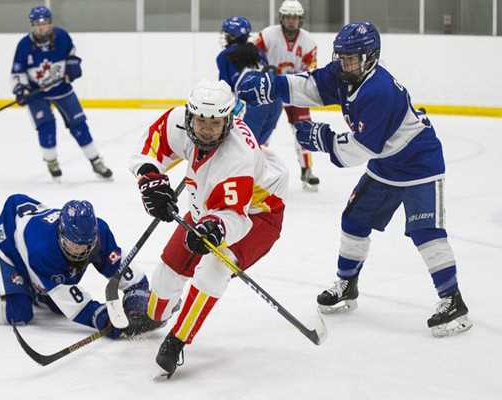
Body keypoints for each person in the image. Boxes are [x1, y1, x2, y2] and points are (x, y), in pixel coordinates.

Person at [236, 21, 472, 337]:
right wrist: (271, 85)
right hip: (387, 164)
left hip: (420, 164)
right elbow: (309, 86)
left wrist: (322, 139)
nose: (344, 63)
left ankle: (452, 300)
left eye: (352, 58)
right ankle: (347, 285)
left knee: (425, 231)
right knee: (354, 220)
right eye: (342, 57)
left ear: (370, 58)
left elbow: (360, 149)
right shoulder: (344, 73)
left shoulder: (379, 91)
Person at [129, 80, 288, 377]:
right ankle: (155, 316)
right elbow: (149, 147)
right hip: (206, 203)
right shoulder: (179, 120)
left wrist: (215, 226)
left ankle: (178, 340)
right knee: (169, 268)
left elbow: (235, 218)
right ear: (190, 115)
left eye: (215, 123)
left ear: (228, 120)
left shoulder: (238, 157)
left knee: (213, 267)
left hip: (256, 215)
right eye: (200, 120)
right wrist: (150, 178)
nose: (205, 129)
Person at [0, 193, 160, 339]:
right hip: (3, 252)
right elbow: (77, 308)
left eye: (85, 245)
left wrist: (137, 302)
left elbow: (128, 275)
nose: (78, 251)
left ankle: (38, 291)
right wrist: (107, 322)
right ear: (60, 232)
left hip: (31, 249)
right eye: (71, 244)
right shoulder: (43, 249)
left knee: (55, 305)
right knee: (20, 312)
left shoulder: (100, 232)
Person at [10, 5, 112, 180]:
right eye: (37, 23)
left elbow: (71, 54)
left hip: (62, 89)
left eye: (45, 23)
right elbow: (18, 72)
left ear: (50, 23)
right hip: (37, 93)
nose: (41, 27)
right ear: (32, 25)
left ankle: (96, 161)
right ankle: (51, 161)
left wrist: (73, 65)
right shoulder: (24, 45)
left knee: (79, 125)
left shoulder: (62, 36)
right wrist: (21, 89)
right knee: (46, 127)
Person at [254, 0, 320, 190]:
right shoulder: (267, 35)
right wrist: (262, 67)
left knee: (304, 129)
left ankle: (307, 169)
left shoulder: (309, 42)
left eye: (295, 17)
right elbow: (253, 52)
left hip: (295, 90)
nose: (292, 21)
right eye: (288, 17)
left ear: (301, 19)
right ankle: (257, 169)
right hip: (270, 89)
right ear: (281, 18)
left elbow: (311, 70)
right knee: (263, 132)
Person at [216, 16, 283, 148]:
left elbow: (225, 89)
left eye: (227, 34)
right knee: (260, 149)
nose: (225, 37)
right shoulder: (258, 50)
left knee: (243, 149)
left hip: (253, 104)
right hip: (275, 102)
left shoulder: (224, 56)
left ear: (233, 37)